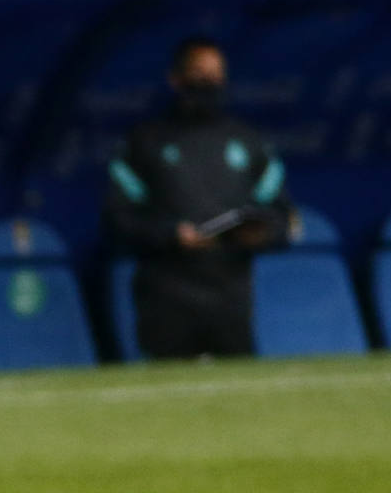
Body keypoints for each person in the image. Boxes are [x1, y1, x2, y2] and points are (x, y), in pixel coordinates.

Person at [106, 36, 292, 359]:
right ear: (175, 79)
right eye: (198, 72)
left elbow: (282, 217)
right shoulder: (145, 142)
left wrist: (258, 234)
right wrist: (171, 235)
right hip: (166, 294)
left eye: (216, 73)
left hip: (230, 295)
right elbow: (115, 220)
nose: (208, 81)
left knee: (239, 395)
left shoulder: (247, 141)